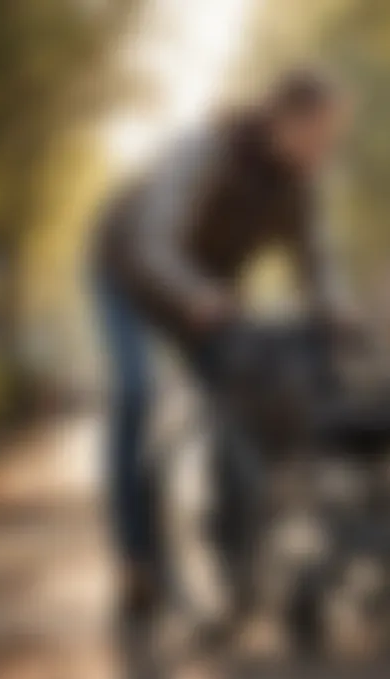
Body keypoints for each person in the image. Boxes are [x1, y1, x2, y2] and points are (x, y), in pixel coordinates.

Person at [92, 69, 351, 628]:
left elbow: (317, 263)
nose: (325, 146)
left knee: (241, 397)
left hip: (203, 295)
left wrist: (336, 311)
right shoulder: (204, 150)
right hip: (130, 271)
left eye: (332, 135)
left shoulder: (298, 186)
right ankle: (135, 562)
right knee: (136, 393)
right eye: (317, 132)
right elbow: (152, 241)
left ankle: (235, 548)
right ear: (281, 118)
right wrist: (200, 296)